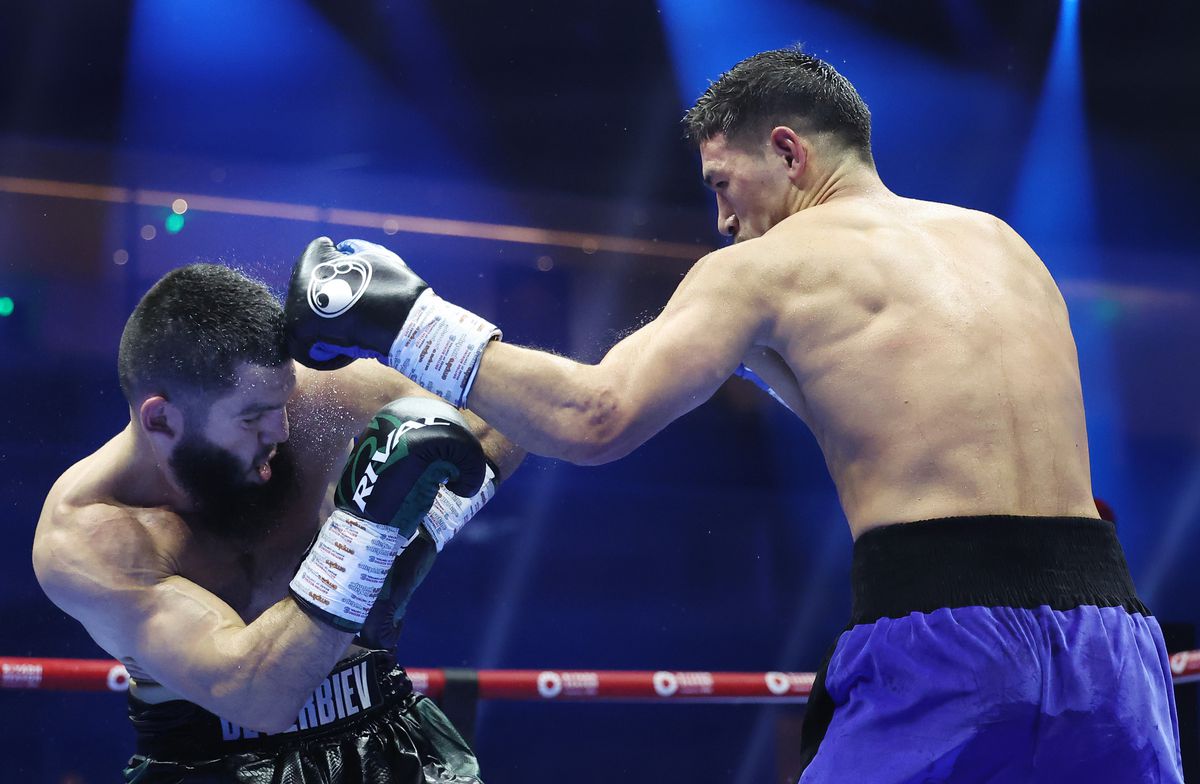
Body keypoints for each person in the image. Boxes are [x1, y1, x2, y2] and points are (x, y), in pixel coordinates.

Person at [284, 47, 1183, 782]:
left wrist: (405, 321)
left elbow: (598, 417)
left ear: (789, 153)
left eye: (723, 182)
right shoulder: (1002, 243)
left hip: (949, 642)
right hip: (1111, 645)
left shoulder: (768, 268)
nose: (720, 219)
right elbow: (890, 420)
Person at [32, 263, 523, 783]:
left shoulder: (313, 398)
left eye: (283, 401)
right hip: (208, 764)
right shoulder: (90, 534)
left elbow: (510, 413)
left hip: (385, 729)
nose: (282, 428)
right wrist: (361, 536)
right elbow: (256, 695)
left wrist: (421, 331)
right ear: (161, 420)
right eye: (253, 417)